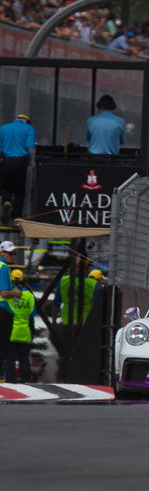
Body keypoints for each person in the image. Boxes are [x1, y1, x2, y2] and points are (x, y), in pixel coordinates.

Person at [0, 113, 35, 222]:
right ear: (26, 121)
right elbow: (30, 148)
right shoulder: (29, 128)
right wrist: (32, 162)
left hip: (6, 161)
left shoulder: (3, 128)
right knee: (20, 191)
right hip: (21, 162)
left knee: (4, 187)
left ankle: (7, 201)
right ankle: (17, 217)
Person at [2, 269, 35, 383]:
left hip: (10, 332)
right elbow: (31, 317)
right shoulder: (29, 296)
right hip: (25, 332)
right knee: (24, 359)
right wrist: (32, 332)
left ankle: (10, 382)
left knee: (9, 358)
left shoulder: (7, 296)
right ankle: (25, 382)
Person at [0, 241, 23, 382]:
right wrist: (17, 293)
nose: (13, 256)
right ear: (1, 253)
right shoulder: (3, 267)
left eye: (14, 253)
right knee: (2, 346)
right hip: (2, 310)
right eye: (10, 253)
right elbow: (4, 293)